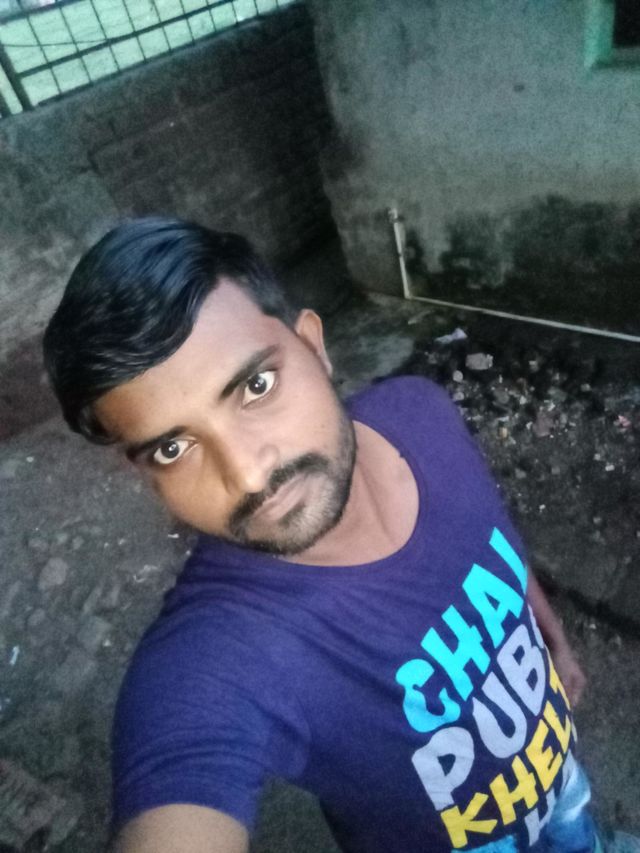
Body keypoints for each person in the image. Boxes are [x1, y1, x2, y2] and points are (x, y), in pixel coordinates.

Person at [43, 216, 602, 853]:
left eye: (255, 386)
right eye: (173, 448)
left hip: (562, 778)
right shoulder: (215, 658)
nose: (248, 474)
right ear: (144, 473)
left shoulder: (418, 409)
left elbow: (491, 539)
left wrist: (548, 630)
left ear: (314, 346)